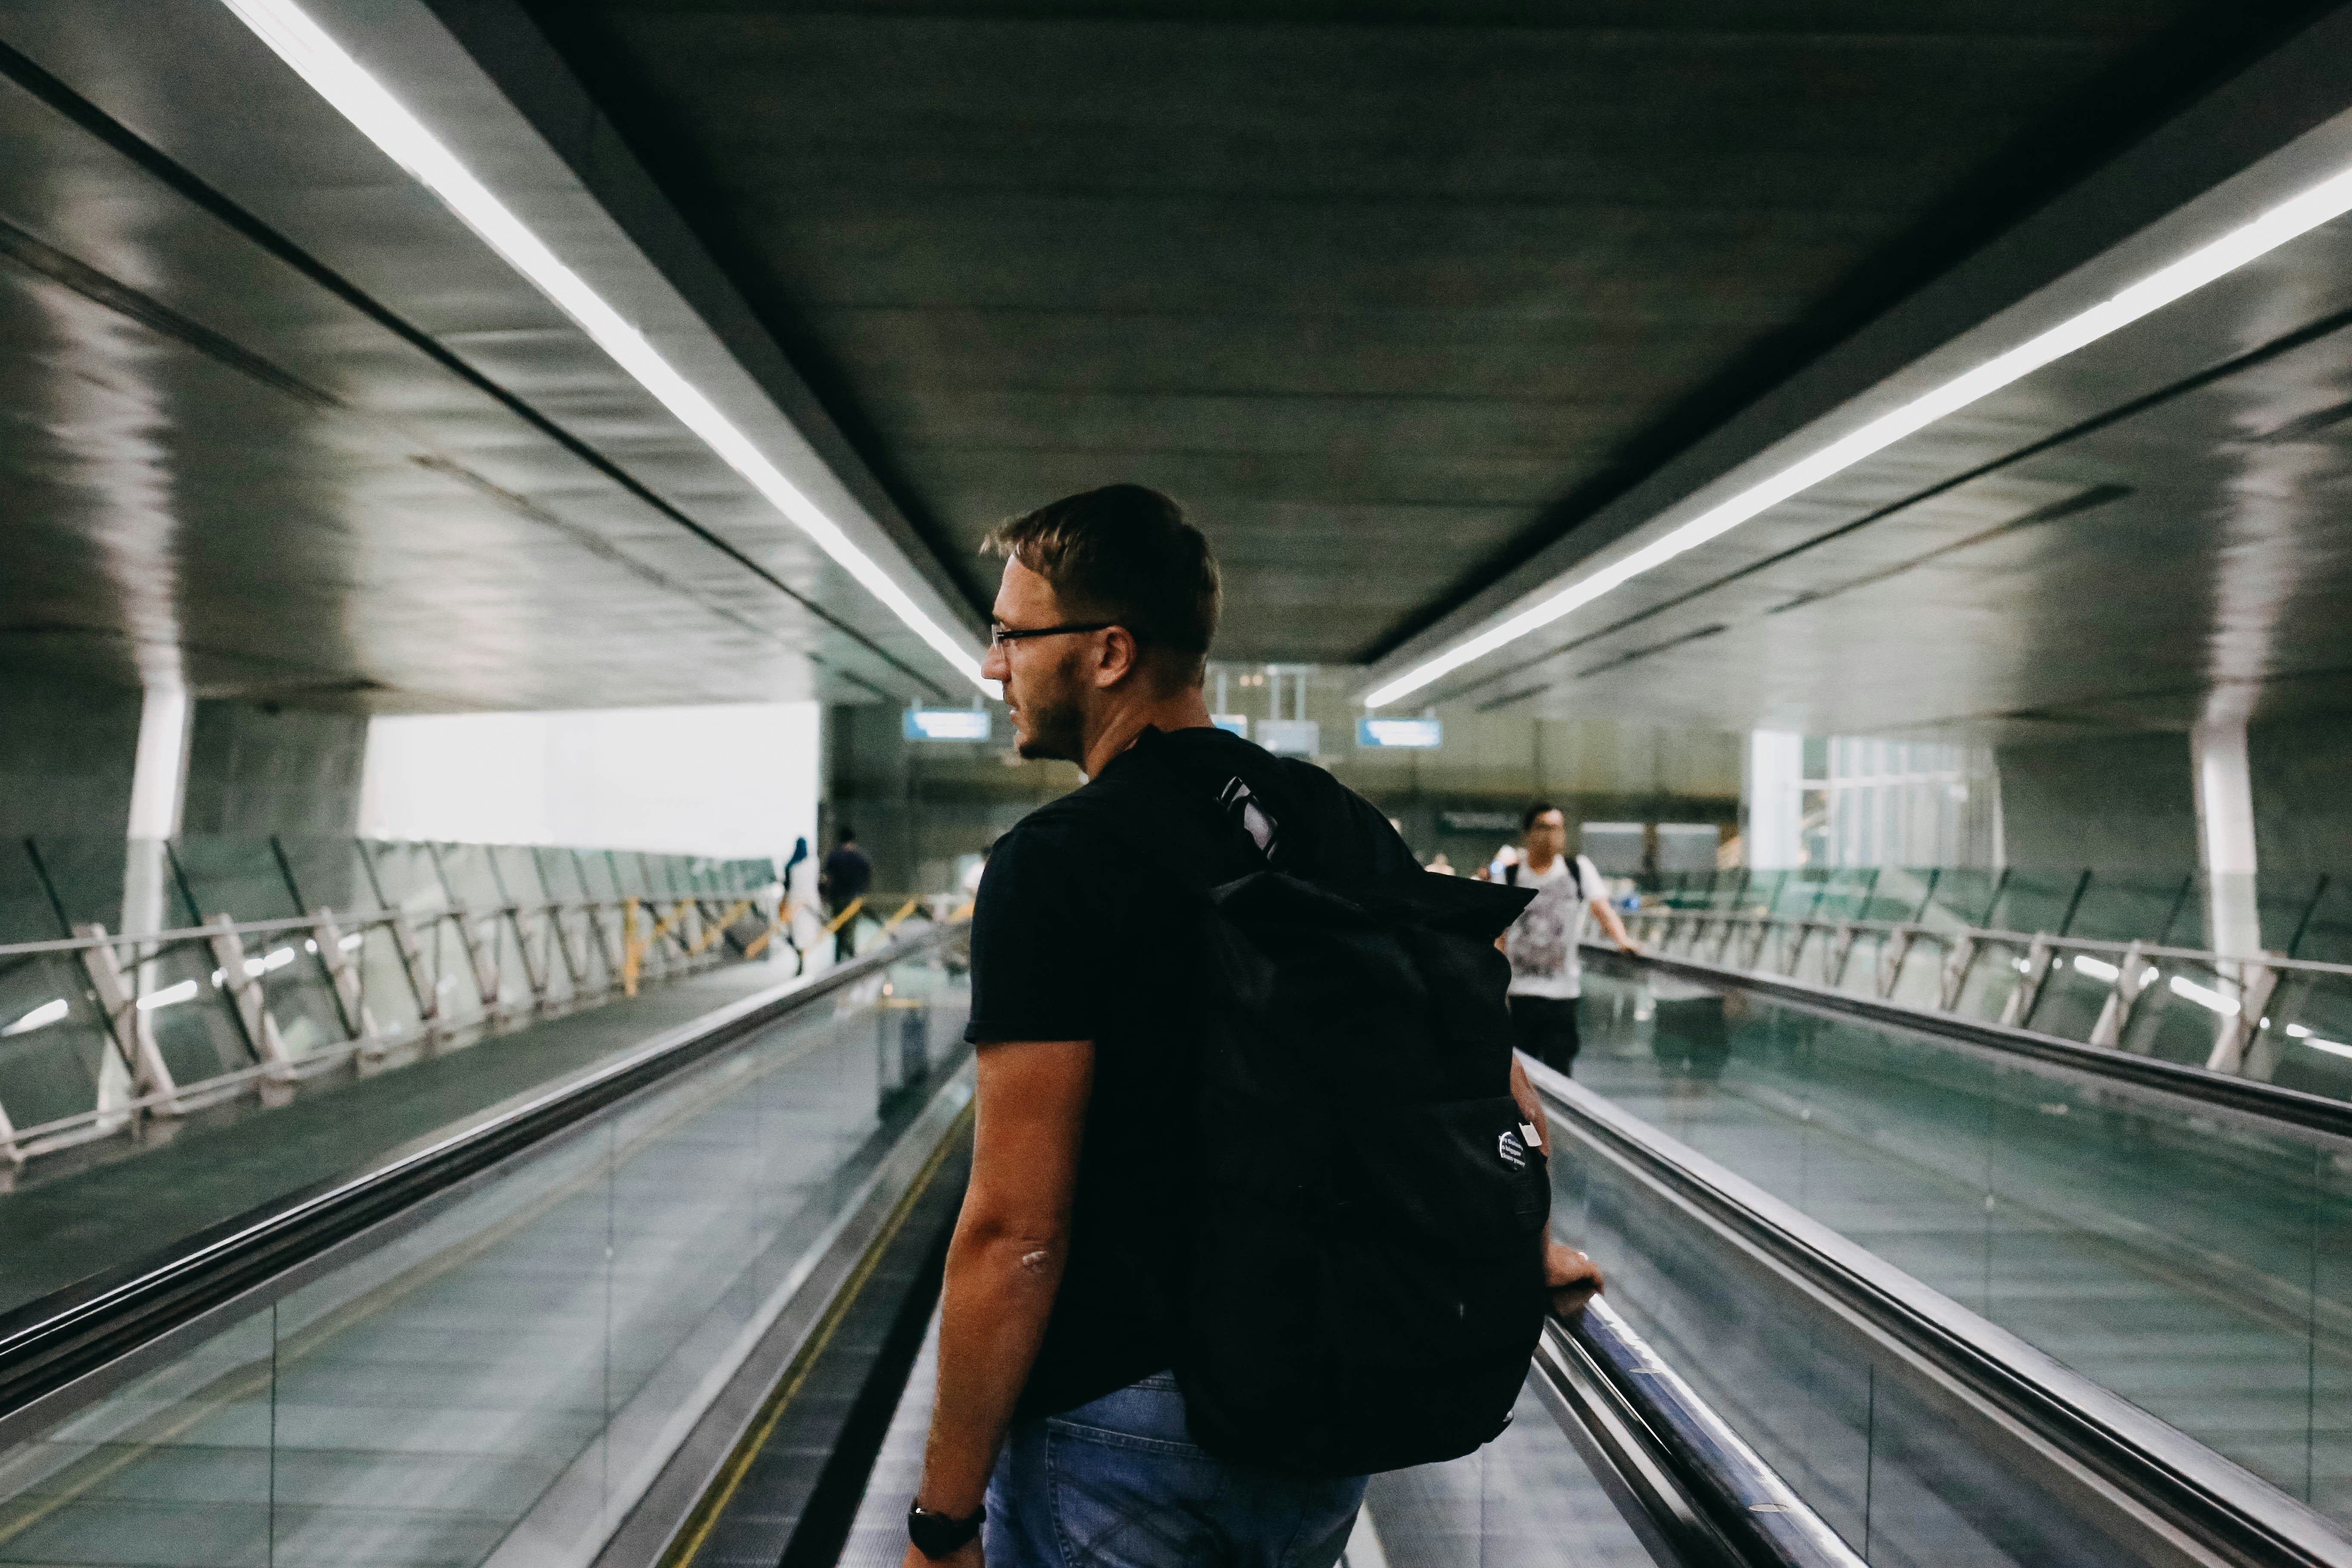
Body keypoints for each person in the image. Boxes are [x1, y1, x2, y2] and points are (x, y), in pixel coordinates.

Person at [900, 484, 1602, 1568]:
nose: (994, 665)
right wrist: (1521, 1243)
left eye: (1010, 635)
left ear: (1108, 651)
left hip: (1116, 1419)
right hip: (1310, 1400)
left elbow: (1015, 1231)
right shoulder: (1333, 820)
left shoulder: (1055, 865)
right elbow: (1476, 1072)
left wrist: (940, 1521)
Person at [1499, 802, 1640, 1075]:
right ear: (1527, 833)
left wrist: (1622, 940)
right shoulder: (1510, 875)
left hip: (1562, 994)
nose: (1553, 834)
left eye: (1558, 828)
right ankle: (1524, 1121)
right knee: (1519, 1074)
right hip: (1520, 993)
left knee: (1560, 1068)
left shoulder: (1578, 869)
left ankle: (1550, 1121)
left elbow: (1603, 910)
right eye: (1544, 827)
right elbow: (1498, 932)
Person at [820, 827, 872, 962]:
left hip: (837, 898)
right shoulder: (860, 858)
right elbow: (867, 877)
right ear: (853, 840)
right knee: (851, 930)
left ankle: (838, 960)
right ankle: (850, 960)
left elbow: (826, 879)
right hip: (853, 898)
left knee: (839, 930)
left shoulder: (834, 857)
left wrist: (824, 897)